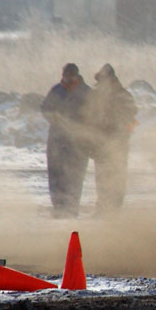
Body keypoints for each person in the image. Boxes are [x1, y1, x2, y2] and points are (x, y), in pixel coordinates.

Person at [86, 64, 138, 214]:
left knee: (117, 177)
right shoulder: (96, 95)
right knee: (102, 177)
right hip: (100, 142)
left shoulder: (122, 95)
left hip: (117, 143)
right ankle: (103, 208)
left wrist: (118, 125)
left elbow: (131, 113)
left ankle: (114, 209)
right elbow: (88, 117)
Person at [41, 63, 91, 218]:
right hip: (57, 141)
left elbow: (95, 113)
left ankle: (71, 208)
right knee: (56, 175)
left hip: (79, 142)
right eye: (66, 75)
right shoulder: (56, 90)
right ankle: (58, 208)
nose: (68, 78)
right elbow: (45, 108)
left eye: (71, 75)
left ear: (77, 75)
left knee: (75, 176)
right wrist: (55, 118)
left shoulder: (86, 92)